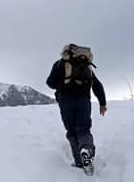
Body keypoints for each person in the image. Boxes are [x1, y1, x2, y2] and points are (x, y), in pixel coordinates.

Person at [46, 44, 107, 172]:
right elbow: (97, 86)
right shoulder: (86, 66)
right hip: (83, 102)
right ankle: (87, 151)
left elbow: (50, 83)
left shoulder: (60, 64)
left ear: (65, 52)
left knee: (72, 132)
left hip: (66, 102)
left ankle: (79, 162)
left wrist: (61, 82)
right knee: (84, 131)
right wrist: (102, 104)